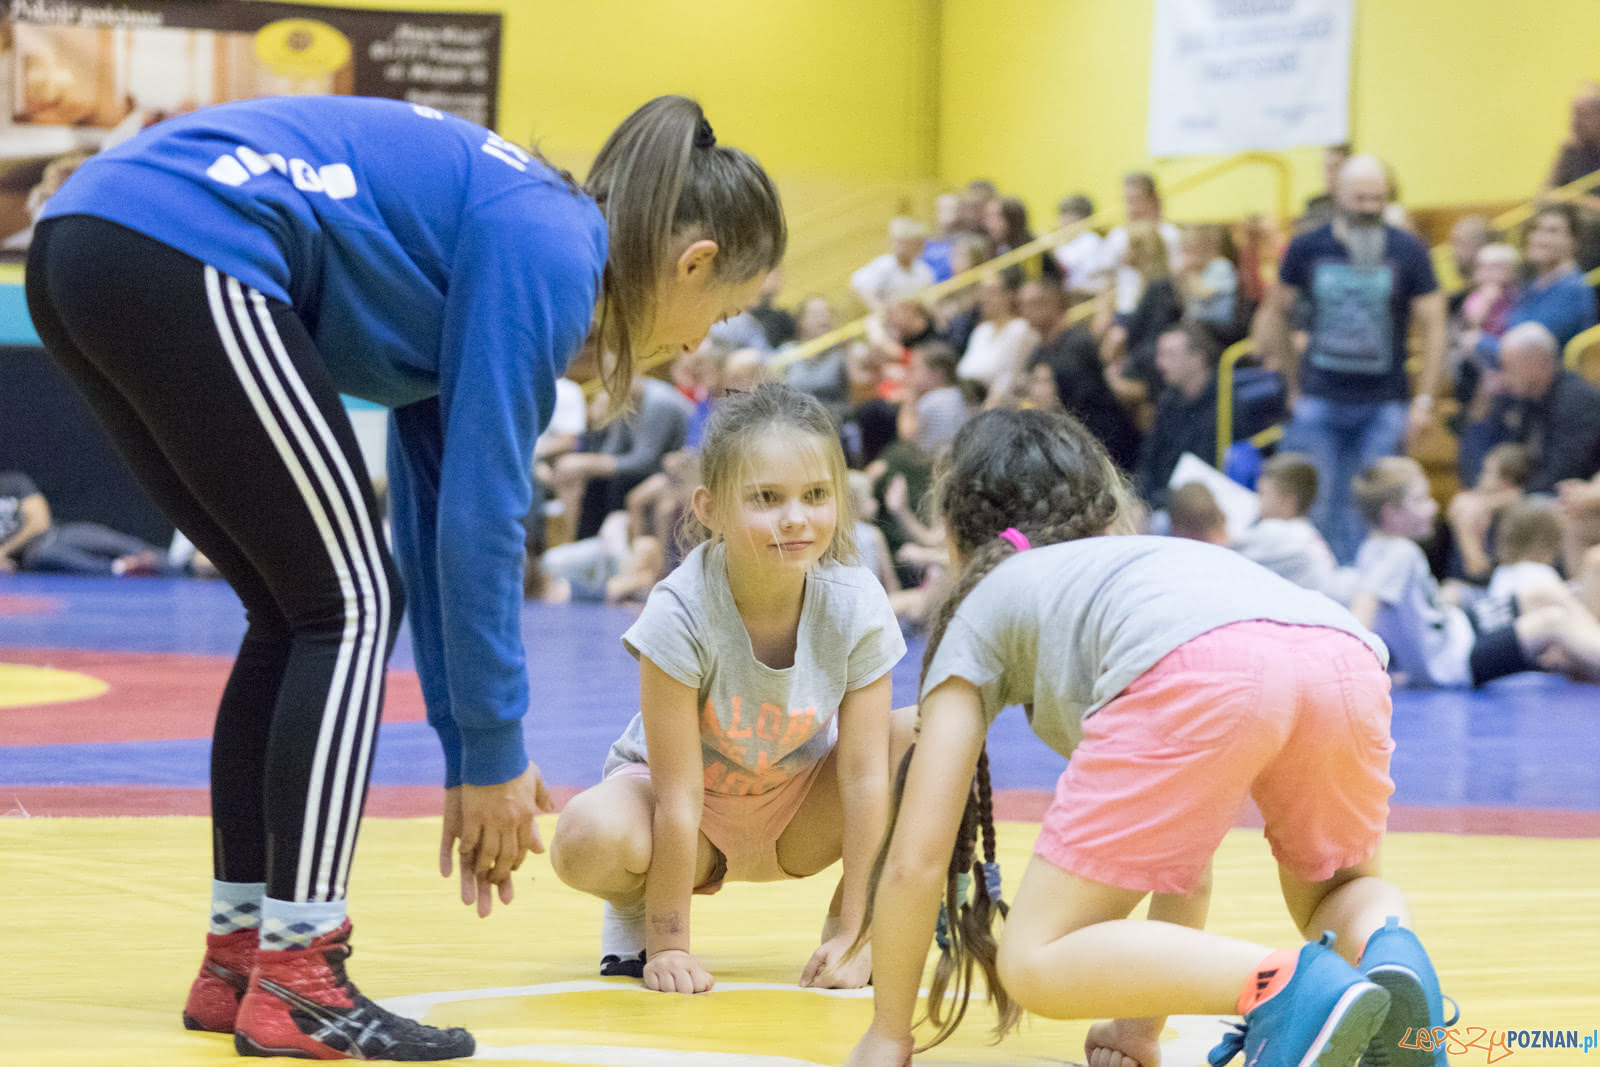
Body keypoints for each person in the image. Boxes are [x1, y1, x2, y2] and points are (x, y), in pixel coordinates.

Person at [25, 93, 785, 1060]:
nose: (703, 341)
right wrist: (497, 750)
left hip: (91, 243)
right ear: (696, 264)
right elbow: (484, 517)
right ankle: (300, 972)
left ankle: (243, 955)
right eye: (723, 311)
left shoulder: (518, 230)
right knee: (347, 604)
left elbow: (438, 518)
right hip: (179, 240)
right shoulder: (553, 245)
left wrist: (474, 751)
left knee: (294, 606)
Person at [843, 408, 1451, 1067]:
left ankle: (1290, 983)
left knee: (1036, 954)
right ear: (1102, 515)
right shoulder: (1144, 568)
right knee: (1334, 893)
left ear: (958, 538)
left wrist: (888, 1032)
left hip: (1206, 663)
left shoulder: (990, 600)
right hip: (1343, 655)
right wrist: (1137, 1029)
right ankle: (1389, 951)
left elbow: (917, 856)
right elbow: (1182, 861)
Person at [549, 384, 907, 993]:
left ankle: (848, 932)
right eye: (767, 498)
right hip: (689, 821)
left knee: (928, 743)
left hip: (795, 814)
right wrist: (668, 944)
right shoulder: (681, 610)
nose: (796, 517)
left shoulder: (856, 603)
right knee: (586, 837)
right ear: (709, 507)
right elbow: (678, 793)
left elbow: (866, 776)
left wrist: (859, 930)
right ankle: (635, 910)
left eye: (816, 496)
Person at [1255, 154, 1447, 563]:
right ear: (1338, 195)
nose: (1369, 208)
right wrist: (1290, 383)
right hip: (1318, 399)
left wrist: (1425, 399)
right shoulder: (1308, 247)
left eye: (1378, 199)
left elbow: (1435, 323)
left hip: (1384, 403)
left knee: (1375, 513)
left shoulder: (1407, 250)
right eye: (1360, 199)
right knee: (1314, 506)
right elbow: (1275, 312)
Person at [1348, 457, 1600, 688]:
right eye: (1420, 500)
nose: (1433, 507)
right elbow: (1365, 608)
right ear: (1391, 514)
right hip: (1457, 661)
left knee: (1541, 595)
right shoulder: (1397, 553)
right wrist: (1351, 669)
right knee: (1554, 621)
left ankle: (1588, 652)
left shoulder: (1376, 548)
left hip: (1459, 628)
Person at [0, 470, 167, 576]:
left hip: (58, 533)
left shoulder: (13, 482)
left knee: (116, 542)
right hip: (32, 555)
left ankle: (175, 562)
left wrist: (4, 551)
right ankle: (121, 567)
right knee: (47, 555)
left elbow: (40, 522)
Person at [1132, 323, 1219, 511]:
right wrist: (1139, 500)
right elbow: (1149, 461)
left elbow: (1205, 472)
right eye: (1160, 354)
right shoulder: (1167, 402)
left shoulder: (1224, 404)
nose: (1159, 363)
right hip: (1160, 500)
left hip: (1197, 505)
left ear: (1197, 359)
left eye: (1170, 355)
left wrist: (1151, 505)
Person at [1234, 452, 1342, 598]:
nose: (1256, 501)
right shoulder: (1304, 532)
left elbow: (1219, 546)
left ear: (1287, 501)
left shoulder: (1278, 532)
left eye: (1262, 494)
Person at [956, 271, 1037, 400]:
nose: (985, 299)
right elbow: (965, 367)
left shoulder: (1020, 329)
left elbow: (1009, 378)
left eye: (992, 293)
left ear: (1009, 295)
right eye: (983, 293)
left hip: (997, 400)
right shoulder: (982, 330)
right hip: (966, 393)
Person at [851, 217, 936, 314]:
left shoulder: (923, 270)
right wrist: (879, 310)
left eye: (905, 243)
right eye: (898, 242)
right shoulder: (886, 264)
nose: (900, 247)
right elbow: (858, 283)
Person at [1052, 194, 1104, 296]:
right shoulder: (1061, 244)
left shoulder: (1091, 241)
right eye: (1061, 215)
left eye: (1065, 215)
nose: (1061, 221)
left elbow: (1096, 277)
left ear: (1080, 218)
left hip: (1084, 295)